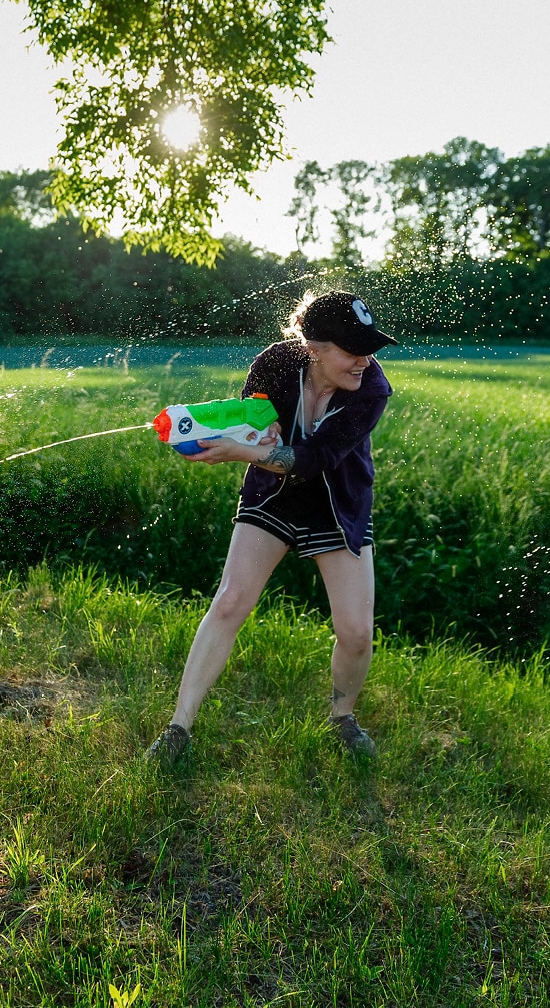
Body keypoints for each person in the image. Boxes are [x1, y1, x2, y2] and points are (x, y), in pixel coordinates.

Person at [145, 290, 397, 767]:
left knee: (357, 632)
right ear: (314, 347)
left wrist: (244, 452)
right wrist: (250, 432)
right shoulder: (275, 364)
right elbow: (251, 414)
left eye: (369, 348)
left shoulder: (372, 390)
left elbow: (316, 459)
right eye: (352, 349)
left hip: (336, 503)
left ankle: (342, 717)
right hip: (272, 496)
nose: (364, 360)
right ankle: (178, 726)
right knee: (230, 602)